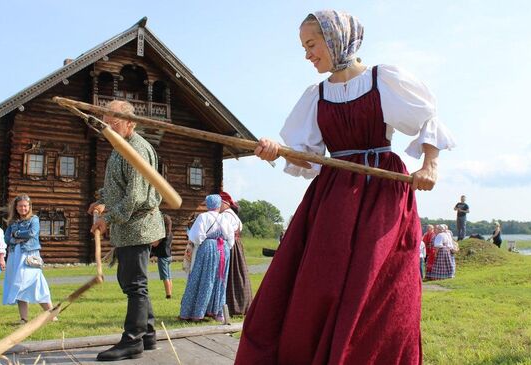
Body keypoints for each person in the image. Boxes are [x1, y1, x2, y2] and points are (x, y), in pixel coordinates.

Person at [236, 10, 455, 365]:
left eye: (312, 44)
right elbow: (307, 159)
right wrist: (275, 152)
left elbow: (428, 118)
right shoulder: (316, 95)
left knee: (381, 288)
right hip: (335, 197)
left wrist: (429, 165)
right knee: (321, 283)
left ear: (336, 39)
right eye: (304, 47)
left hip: (383, 194)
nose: (307, 54)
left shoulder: (383, 79)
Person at [88, 100, 165, 361]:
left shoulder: (137, 150)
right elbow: (116, 187)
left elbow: (135, 197)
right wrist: (102, 200)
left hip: (138, 226)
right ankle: (148, 335)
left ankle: (132, 341)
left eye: (114, 123)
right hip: (129, 226)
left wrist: (107, 219)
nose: (107, 128)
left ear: (130, 122)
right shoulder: (119, 146)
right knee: (135, 283)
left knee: (134, 285)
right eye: (105, 123)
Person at [179, 194, 234, 322]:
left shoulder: (203, 217)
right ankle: (215, 311)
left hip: (207, 248)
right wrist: (224, 246)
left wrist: (206, 243)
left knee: (200, 277)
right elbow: (230, 239)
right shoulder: (224, 218)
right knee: (219, 280)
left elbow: (196, 236)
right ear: (219, 204)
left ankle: (196, 312)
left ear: (207, 204)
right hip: (223, 249)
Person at [2, 194, 54, 324]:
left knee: (34, 283)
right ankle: (24, 318)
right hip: (15, 255)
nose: (23, 208)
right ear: (16, 207)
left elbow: (32, 233)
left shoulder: (34, 219)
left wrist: (17, 234)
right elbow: (7, 238)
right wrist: (15, 237)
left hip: (30, 255)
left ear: (29, 207)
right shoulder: (13, 222)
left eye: (25, 206)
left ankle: (52, 315)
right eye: (20, 206)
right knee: (18, 285)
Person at [219, 191, 252, 316]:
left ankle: (233, 307)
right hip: (237, 246)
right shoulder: (233, 215)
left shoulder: (226, 215)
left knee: (231, 275)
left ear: (225, 203)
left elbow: (224, 232)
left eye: (219, 203)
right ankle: (241, 305)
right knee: (239, 275)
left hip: (230, 246)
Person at [151, 214, 173, 299]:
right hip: (169, 256)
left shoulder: (162, 234)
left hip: (163, 257)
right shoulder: (170, 233)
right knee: (169, 276)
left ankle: (168, 295)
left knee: (165, 277)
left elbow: (155, 244)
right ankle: (170, 293)